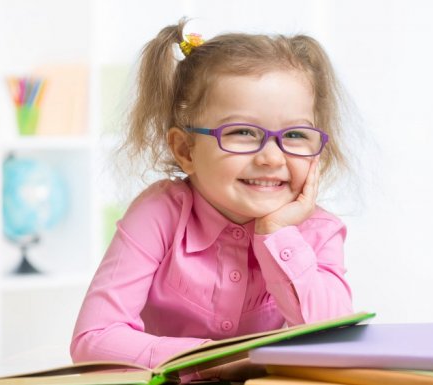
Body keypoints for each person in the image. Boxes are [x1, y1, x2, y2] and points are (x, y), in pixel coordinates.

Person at [70, 17, 354, 382]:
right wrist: (207, 359)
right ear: (186, 150)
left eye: (296, 134)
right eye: (242, 132)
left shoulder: (317, 230)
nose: (271, 157)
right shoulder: (160, 214)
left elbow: (334, 340)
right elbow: (93, 340)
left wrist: (278, 234)